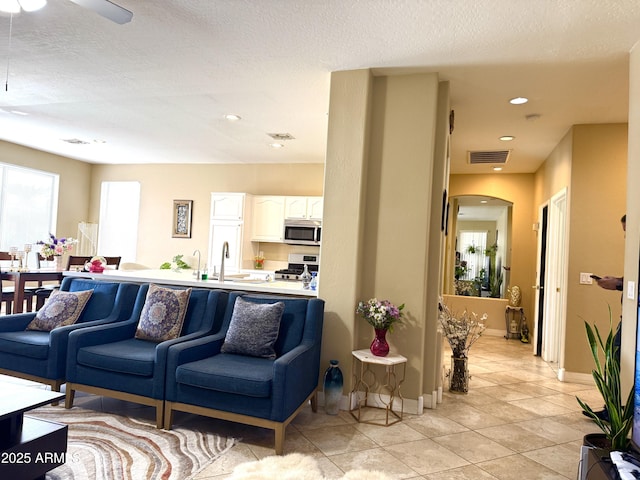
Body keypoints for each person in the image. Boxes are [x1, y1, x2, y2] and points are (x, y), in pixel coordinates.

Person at [585, 214, 626, 422]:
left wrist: (618, 284)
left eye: (628, 231)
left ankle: (615, 412)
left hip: (632, 322)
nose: (627, 237)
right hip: (627, 317)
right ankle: (612, 409)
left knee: (617, 362)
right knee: (615, 363)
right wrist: (617, 281)